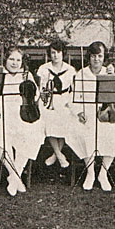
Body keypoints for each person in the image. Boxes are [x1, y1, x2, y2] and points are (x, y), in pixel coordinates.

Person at [0, 46, 45, 196]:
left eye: (18, 60)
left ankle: (14, 177)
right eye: (12, 59)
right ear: (5, 59)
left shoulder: (26, 75)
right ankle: (16, 177)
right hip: (0, 113)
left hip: (21, 113)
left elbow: (35, 95)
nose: (15, 63)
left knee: (32, 133)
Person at [71, 41, 115, 191]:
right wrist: (79, 112)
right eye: (93, 56)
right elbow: (74, 97)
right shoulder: (81, 74)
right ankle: (90, 172)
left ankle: (103, 172)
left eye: (100, 56)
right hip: (87, 111)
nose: (96, 59)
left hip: (104, 112)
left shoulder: (108, 72)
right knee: (83, 132)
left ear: (104, 57)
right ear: (89, 57)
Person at [37, 40, 81, 169]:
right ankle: (59, 154)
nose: (55, 55)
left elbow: (74, 89)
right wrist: (45, 99)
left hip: (65, 99)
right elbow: (41, 88)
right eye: (53, 53)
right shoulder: (44, 69)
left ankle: (56, 155)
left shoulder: (70, 70)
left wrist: (70, 102)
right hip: (49, 99)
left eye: (58, 52)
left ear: (63, 53)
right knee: (48, 118)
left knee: (66, 118)